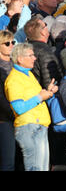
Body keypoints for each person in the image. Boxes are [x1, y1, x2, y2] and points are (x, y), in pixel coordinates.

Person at [4, 42, 58, 171]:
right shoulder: (14, 79)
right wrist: (40, 97)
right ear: (20, 59)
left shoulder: (28, 75)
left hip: (38, 126)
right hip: (29, 128)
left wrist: (48, 92)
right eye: (31, 55)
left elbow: (36, 97)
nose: (34, 58)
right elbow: (18, 107)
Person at [0, 30, 16, 171]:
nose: (11, 45)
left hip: (20, 116)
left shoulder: (15, 64)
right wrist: (14, 112)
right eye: (7, 43)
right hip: (5, 118)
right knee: (8, 161)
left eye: (13, 42)